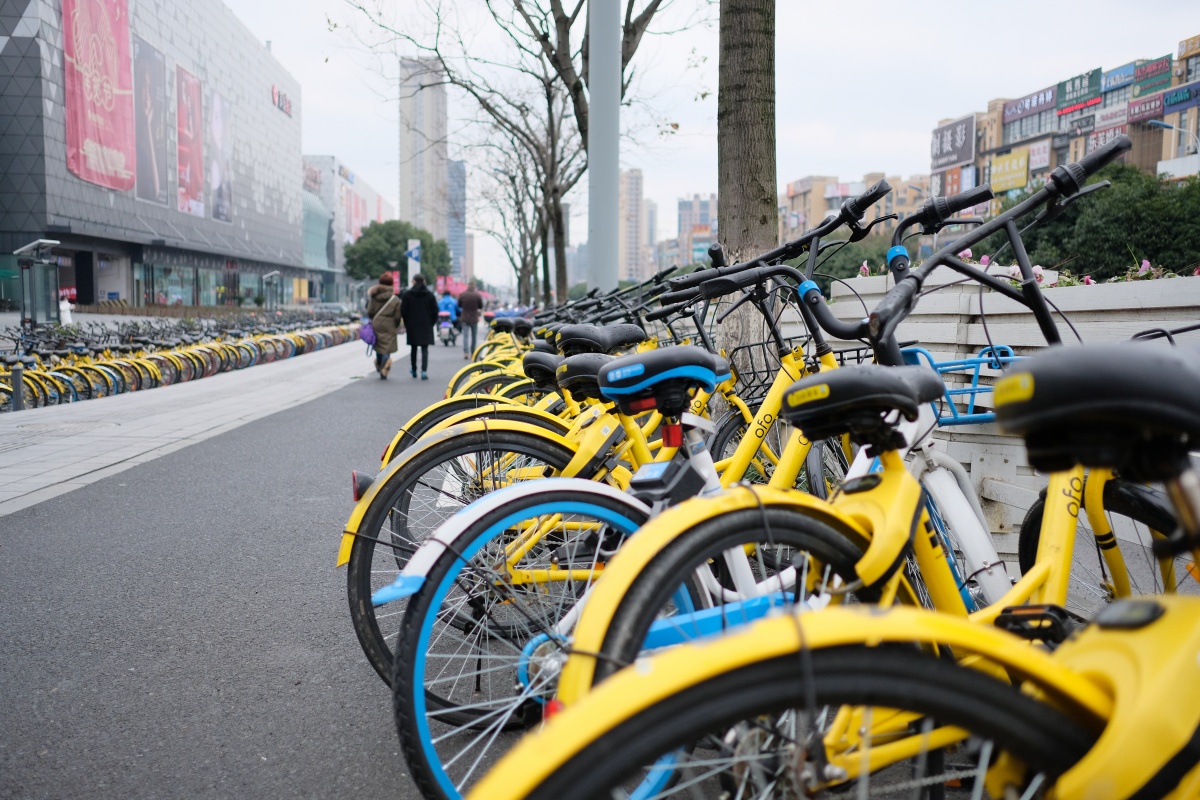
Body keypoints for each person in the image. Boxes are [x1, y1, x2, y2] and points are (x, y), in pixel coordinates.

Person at [400, 273, 438, 379]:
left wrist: (407, 322)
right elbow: (435, 311)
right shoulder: (430, 295)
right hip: (426, 325)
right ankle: (424, 371)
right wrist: (431, 323)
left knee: (413, 348)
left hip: (412, 324)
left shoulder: (407, 295)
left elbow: (403, 310)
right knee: (425, 349)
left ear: (414, 281)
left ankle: (414, 369)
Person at [366, 273, 403, 379]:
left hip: (377, 324)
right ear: (391, 284)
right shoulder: (394, 299)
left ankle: (379, 362)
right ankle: (384, 367)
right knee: (387, 347)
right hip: (389, 325)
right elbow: (397, 315)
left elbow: (369, 311)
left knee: (378, 346)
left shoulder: (374, 296)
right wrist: (396, 325)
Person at [457, 280, 484, 360]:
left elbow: (459, 304)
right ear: (474, 286)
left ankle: (466, 352)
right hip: (474, 317)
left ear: (468, 286)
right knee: (474, 336)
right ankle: (473, 352)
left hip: (465, 317)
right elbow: (481, 306)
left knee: (465, 336)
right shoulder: (477, 295)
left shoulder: (463, 294)